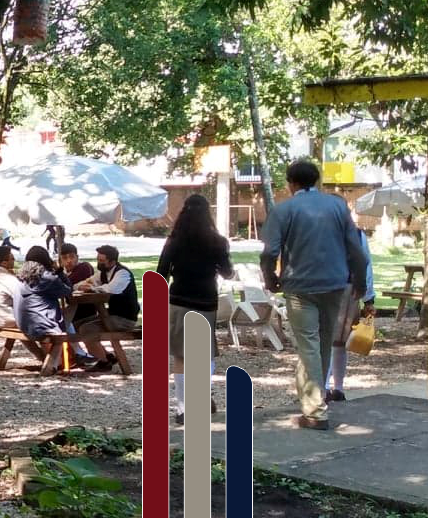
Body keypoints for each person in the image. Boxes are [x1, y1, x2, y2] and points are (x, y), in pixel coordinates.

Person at [260, 158, 368, 429]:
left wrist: (270, 278)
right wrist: (360, 280)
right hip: (335, 284)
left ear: (291, 183)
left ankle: (316, 411)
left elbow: (270, 251)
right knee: (323, 342)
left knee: (308, 344)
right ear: (316, 181)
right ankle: (312, 402)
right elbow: (355, 248)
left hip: (300, 286)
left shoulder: (284, 210)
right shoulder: (337, 206)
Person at [156, 193, 234, 421]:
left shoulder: (174, 241)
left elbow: (161, 273)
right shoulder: (217, 241)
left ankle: (183, 408)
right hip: (206, 301)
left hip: (179, 299)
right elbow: (227, 272)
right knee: (204, 353)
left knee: (181, 355)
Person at [325, 208, 376, 403]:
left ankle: (325, 388)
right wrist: (369, 298)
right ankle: (337, 388)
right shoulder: (356, 234)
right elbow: (365, 264)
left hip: (322, 288)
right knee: (339, 343)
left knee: (325, 341)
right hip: (348, 290)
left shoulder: (316, 232)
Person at [14, 246, 75, 374]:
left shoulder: (21, 277)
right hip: (40, 325)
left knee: (58, 324)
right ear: (46, 260)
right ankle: (52, 366)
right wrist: (59, 271)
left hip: (23, 323)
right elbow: (68, 290)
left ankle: (57, 363)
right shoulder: (47, 278)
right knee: (62, 330)